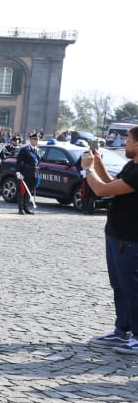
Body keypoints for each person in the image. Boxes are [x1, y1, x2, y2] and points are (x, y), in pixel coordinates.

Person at [83, 135, 138, 353]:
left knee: (133, 288)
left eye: (129, 140)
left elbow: (101, 190)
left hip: (131, 239)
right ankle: (122, 330)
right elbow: (112, 185)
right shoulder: (131, 166)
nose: (125, 144)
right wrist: (99, 165)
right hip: (117, 235)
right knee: (120, 286)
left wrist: (88, 170)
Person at [16, 133, 40, 214]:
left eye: (37, 139)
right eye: (35, 139)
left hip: (34, 173)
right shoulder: (25, 149)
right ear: (31, 140)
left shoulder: (37, 150)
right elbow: (19, 161)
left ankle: (26, 207)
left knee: (29, 190)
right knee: (22, 190)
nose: (36, 141)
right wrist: (18, 172)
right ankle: (21, 208)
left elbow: (38, 162)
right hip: (25, 172)